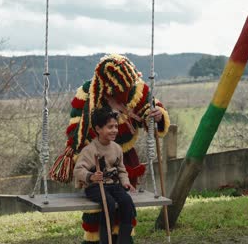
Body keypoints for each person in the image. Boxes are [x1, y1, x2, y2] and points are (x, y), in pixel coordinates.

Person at [50, 53, 170, 244]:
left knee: (125, 204)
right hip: (95, 158)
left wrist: (156, 116)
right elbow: (76, 128)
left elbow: (152, 110)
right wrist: (82, 164)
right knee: (98, 207)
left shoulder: (137, 88)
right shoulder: (88, 92)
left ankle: (123, 239)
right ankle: (96, 240)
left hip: (125, 157)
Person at [74, 106, 136, 244]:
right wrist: (91, 176)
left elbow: (121, 169)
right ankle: (105, 239)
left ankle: (124, 239)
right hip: (96, 187)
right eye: (110, 127)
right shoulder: (89, 150)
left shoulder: (116, 148)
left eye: (116, 126)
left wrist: (125, 181)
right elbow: (78, 170)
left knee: (126, 202)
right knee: (109, 203)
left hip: (113, 185)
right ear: (98, 129)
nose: (114, 130)